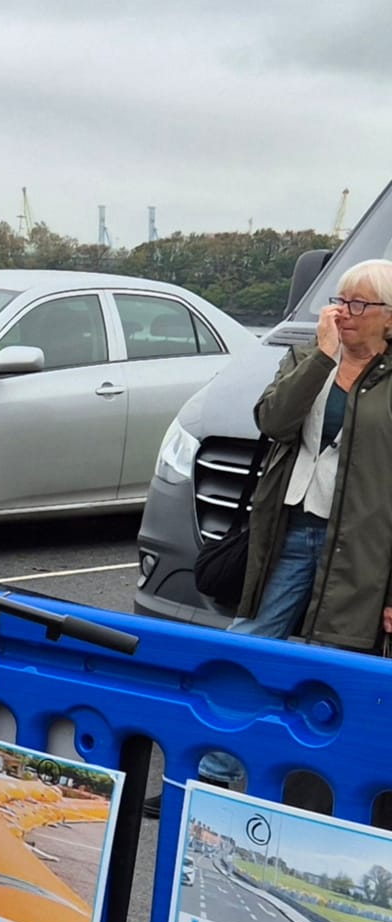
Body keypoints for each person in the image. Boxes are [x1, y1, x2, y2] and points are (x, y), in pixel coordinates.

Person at [184, 258, 392, 803]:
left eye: (359, 304)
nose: (343, 313)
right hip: (292, 530)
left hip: (365, 552)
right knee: (248, 647)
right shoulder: (308, 358)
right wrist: (323, 359)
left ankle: (320, 793)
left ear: (389, 319)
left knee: (337, 665)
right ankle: (213, 771)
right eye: (340, 300)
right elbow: (272, 421)